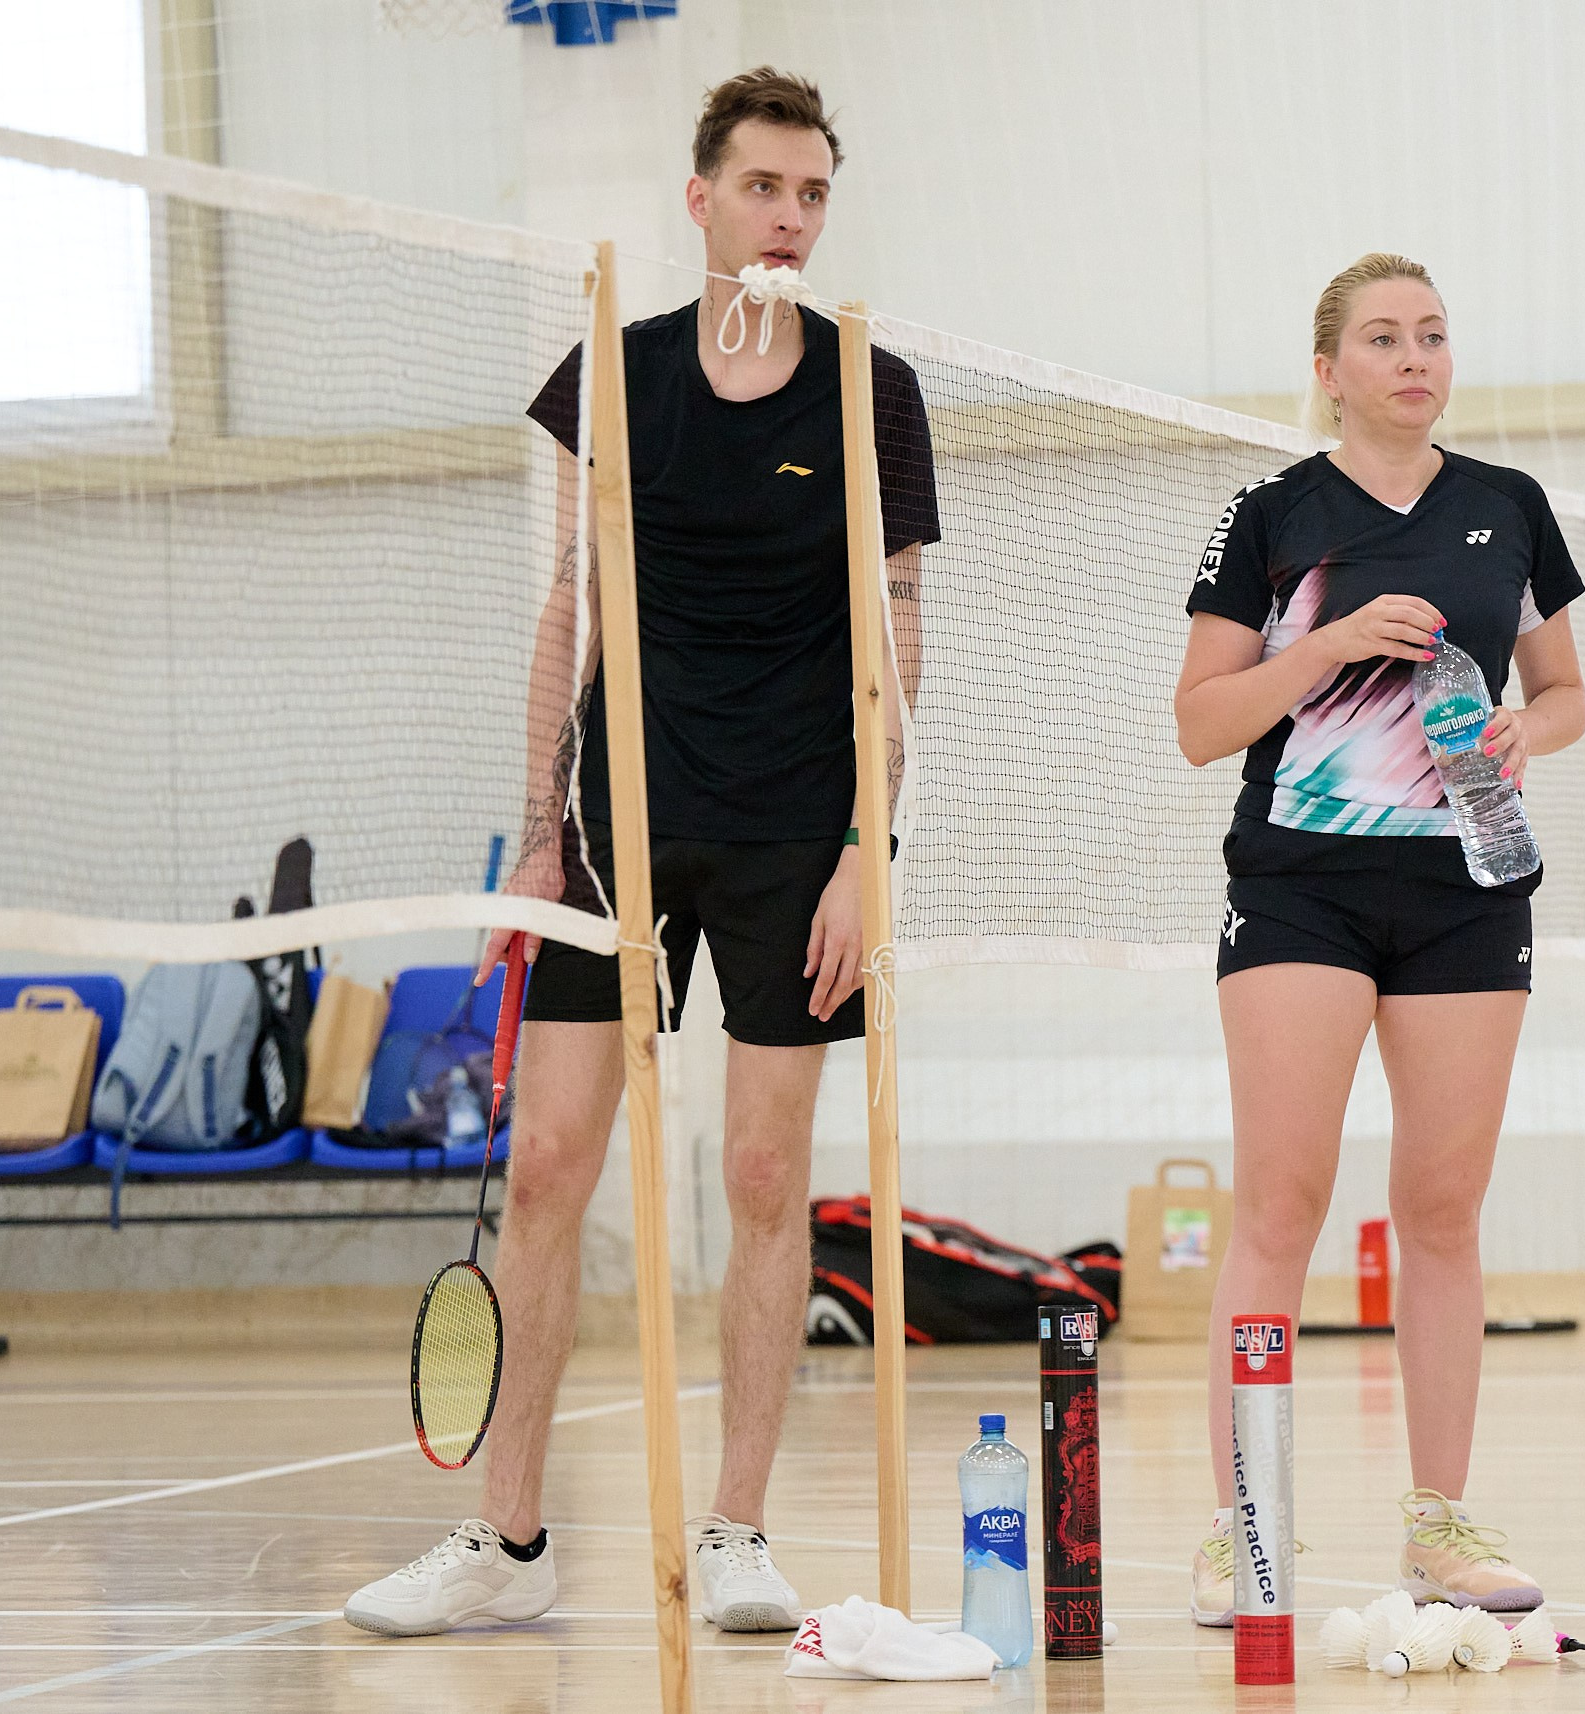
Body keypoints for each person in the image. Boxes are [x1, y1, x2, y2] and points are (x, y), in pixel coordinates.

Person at [344, 67, 939, 1636]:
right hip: (618, 827)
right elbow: (568, 606)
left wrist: (872, 843)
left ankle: (738, 1529)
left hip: (799, 827)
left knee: (762, 1176)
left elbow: (902, 627)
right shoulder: (613, 373)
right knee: (544, 1169)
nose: (790, 220)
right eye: (763, 187)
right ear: (701, 198)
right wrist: (539, 834)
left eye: (813, 193)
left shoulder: (870, 385)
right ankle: (506, 1542)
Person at [1173, 252, 1585, 1622]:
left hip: (1469, 883)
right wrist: (1331, 640)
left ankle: (1439, 1524)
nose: (1415, 357)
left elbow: (1566, 688)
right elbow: (1201, 721)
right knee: (1281, 1203)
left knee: (1444, 1209)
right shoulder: (1272, 515)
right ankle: (1246, 1529)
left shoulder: (1509, 510)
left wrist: (1536, 725)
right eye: (1383, 338)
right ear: (1329, 368)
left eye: (1433, 335)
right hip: (1302, 886)